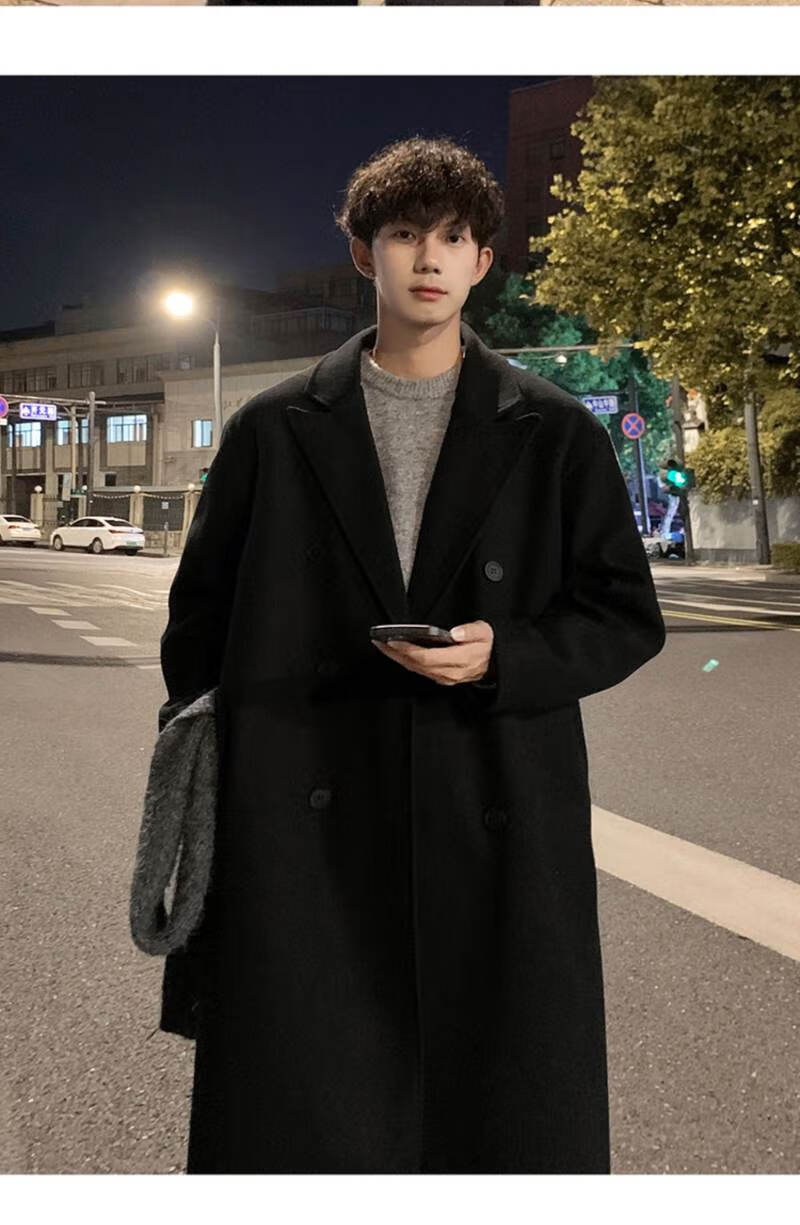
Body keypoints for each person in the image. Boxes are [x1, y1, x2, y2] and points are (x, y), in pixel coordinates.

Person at [157, 136, 666, 1173]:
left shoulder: (554, 432)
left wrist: (505, 657)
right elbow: (196, 626)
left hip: (490, 802)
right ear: (363, 254)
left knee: (491, 1113)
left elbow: (623, 612)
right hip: (302, 821)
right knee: (305, 1116)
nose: (427, 256)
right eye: (401, 233)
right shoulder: (270, 430)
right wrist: (236, 776)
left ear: (482, 260)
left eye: (452, 236)